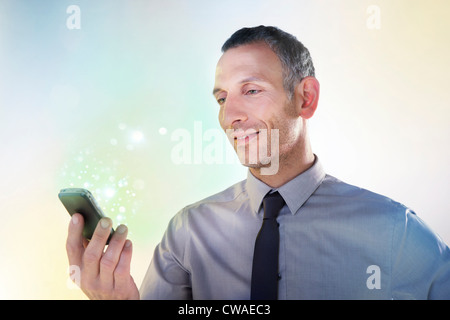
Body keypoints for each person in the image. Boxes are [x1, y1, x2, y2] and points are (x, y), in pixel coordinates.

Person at [66, 25, 450, 300]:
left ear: (306, 98)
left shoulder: (394, 232)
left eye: (251, 90)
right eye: (221, 98)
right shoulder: (187, 234)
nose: (229, 114)